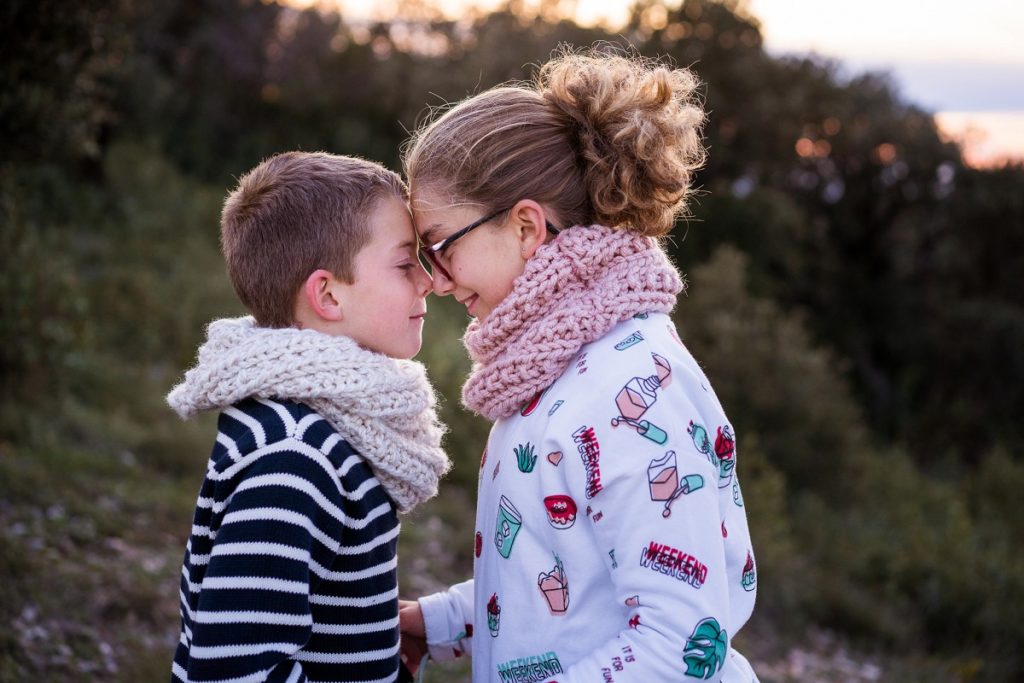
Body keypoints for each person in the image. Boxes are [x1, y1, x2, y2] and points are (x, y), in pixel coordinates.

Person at [398, 50, 759, 682]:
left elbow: (679, 647)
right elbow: (564, 574)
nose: (436, 281)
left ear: (526, 228)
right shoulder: (555, 369)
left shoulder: (633, 384)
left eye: (440, 247)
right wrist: (443, 620)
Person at [166, 151, 449, 683]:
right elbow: (229, 672)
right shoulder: (295, 455)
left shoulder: (332, 428)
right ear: (326, 294)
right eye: (405, 262)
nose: (427, 281)